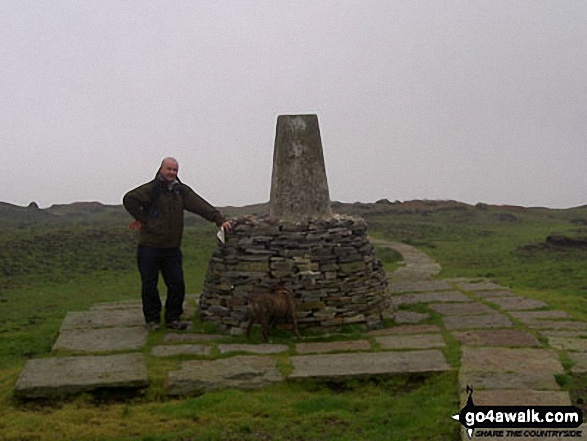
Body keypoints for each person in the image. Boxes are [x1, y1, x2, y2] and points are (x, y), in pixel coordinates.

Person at [123, 157, 232, 330]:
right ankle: (152, 320)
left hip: (171, 248)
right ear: (161, 169)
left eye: (175, 170)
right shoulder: (152, 189)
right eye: (169, 169)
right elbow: (129, 199)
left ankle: (173, 318)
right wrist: (145, 220)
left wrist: (219, 219)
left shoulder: (181, 191)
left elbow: (199, 205)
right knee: (149, 285)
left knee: (177, 284)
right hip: (149, 246)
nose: (172, 173)